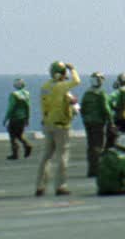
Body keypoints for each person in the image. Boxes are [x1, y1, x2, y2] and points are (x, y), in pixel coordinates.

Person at [36, 61, 81, 196]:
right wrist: (73, 69)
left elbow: (44, 105)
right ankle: (60, 186)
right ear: (62, 73)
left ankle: (40, 186)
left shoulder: (45, 87)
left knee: (46, 156)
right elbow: (77, 81)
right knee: (62, 155)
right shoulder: (62, 87)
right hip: (62, 125)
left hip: (48, 123)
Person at [80, 72, 113, 178]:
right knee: (98, 145)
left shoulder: (87, 93)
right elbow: (106, 109)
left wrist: (85, 119)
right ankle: (98, 169)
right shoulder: (101, 93)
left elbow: (83, 108)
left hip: (88, 123)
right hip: (98, 122)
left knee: (90, 146)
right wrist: (111, 121)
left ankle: (91, 169)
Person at [5, 78, 33, 160]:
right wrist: (28, 118)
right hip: (23, 118)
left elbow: (11, 107)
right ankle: (27, 145)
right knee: (19, 134)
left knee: (12, 135)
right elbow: (28, 107)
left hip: (15, 118)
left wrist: (6, 118)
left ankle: (15, 153)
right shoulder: (27, 93)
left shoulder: (14, 94)